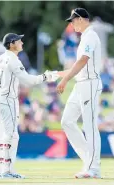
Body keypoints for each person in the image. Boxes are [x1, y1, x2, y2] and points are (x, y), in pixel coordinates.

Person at [0, 33, 59, 179]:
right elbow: (28, 80)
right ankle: (7, 171)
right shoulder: (13, 60)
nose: (22, 43)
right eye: (19, 41)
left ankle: (1, 169)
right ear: (12, 43)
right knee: (11, 135)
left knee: (1, 134)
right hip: (7, 100)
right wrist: (46, 77)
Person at [56, 8, 102, 178]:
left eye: (74, 20)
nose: (72, 24)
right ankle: (88, 161)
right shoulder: (84, 37)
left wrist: (65, 79)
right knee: (67, 121)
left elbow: (83, 61)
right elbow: (79, 65)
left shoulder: (90, 35)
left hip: (89, 84)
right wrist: (60, 74)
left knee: (89, 125)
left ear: (82, 19)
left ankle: (93, 168)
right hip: (81, 84)